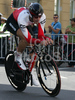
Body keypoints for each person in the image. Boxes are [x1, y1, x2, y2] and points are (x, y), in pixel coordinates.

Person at [6, 3, 53, 86]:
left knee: (33, 51)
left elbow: (40, 35)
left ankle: (30, 73)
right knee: (25, 39)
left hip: (27, 24)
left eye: (39, 16)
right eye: (35, 17)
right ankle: (18, 55)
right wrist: (40, 41)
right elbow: (28, 39)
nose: (38, 19)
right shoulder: (23, 18)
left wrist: (47, 39)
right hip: (13, 21)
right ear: (31, 15)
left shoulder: (42, 17)